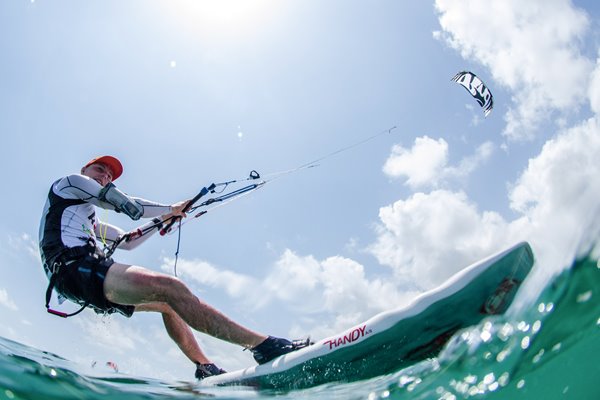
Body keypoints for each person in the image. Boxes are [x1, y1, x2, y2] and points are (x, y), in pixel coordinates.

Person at [39, 155, 309, 379]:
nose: (105, 176)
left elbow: (126, 242)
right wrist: (170, 208)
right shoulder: (70, 183)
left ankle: (205, 367)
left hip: (79, 277)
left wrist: (165, 220)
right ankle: (263, 346)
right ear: (84, 170)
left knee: (169, 304)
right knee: (171, 287)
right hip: (74, 269)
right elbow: (123, 203)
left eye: (110, 175)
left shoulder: (88, 219)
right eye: (100, 169)